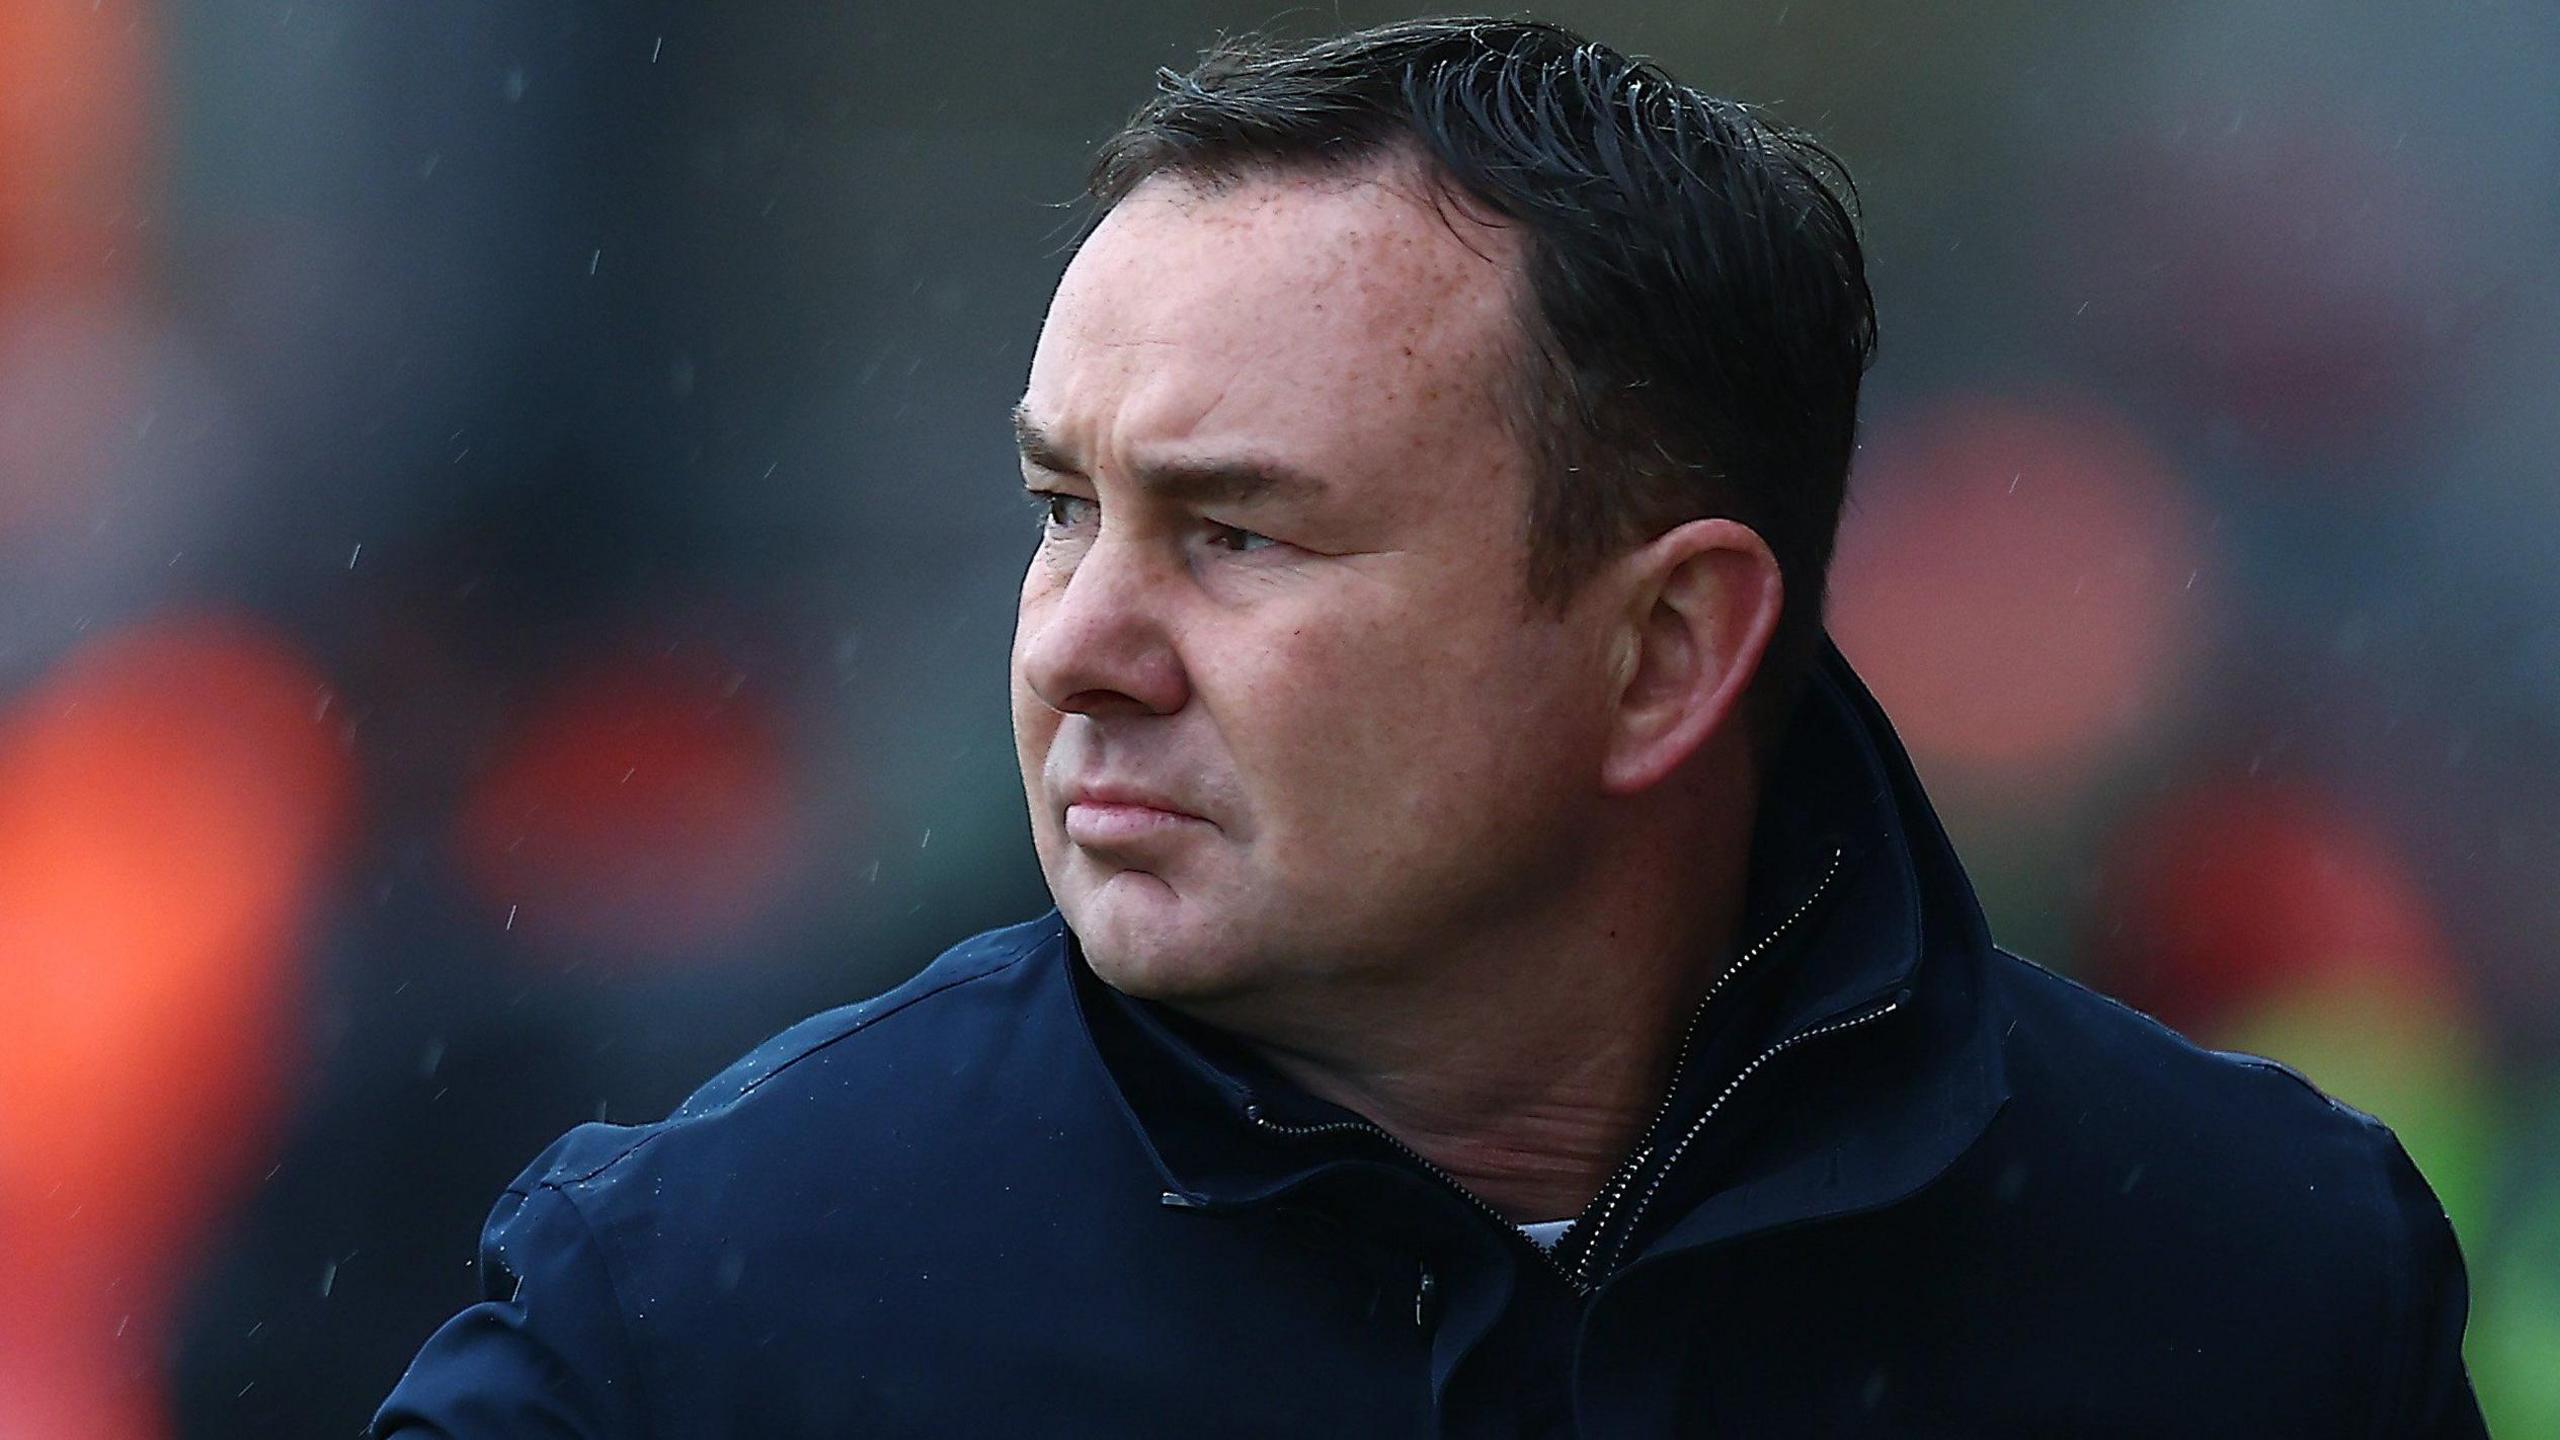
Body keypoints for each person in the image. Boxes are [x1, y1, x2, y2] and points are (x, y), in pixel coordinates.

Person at [374, 17, 2486, 1436]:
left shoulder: (2247, 1281)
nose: (1074, 644)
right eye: (1059, 512)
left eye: (1236, 536)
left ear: (1663, 653)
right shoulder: (698, 1307)